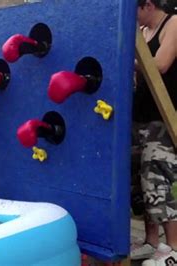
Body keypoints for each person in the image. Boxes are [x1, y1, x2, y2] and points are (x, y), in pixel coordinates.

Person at [131, 0, 177, 265]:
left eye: (133, 11)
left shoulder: (173, 23)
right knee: (143, 183)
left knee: (160, 179)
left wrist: (130, 56)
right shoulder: (144, 32)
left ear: (147, 4)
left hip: (162, 119)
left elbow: (160, 65)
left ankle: (173, 249)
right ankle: (152, 242)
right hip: (140, 119)